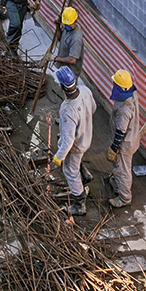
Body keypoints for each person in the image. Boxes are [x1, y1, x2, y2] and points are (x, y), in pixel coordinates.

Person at [51, 66, 96, 215]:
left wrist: (59, 157)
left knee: (70, 170)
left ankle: (79, 204)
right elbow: (93, 108)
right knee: (77, 161)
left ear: (62, 85)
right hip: (87, 137)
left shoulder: (67, 109)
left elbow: (68, 141)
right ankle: (85, 175)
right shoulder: (85, 91)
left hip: (76, 145)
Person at [106, 70, 141, 208]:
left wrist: (114, 148)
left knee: (124, 170)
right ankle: (116, 183)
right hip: (132, 138)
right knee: (119, 166)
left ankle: (124, 198)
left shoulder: (124, 108)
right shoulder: (132, 93)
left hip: (125, 143)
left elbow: (121, 131)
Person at [53, 5, 85, 74]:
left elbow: (72, 60)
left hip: (70, 73)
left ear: (75, 21)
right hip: (62, 68)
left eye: (70, 24)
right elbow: (60, 38)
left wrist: (55, 58)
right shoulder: (67, 27)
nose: (68, 26)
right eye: (66, 24)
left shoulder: (76, 39)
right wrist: (57, 25)